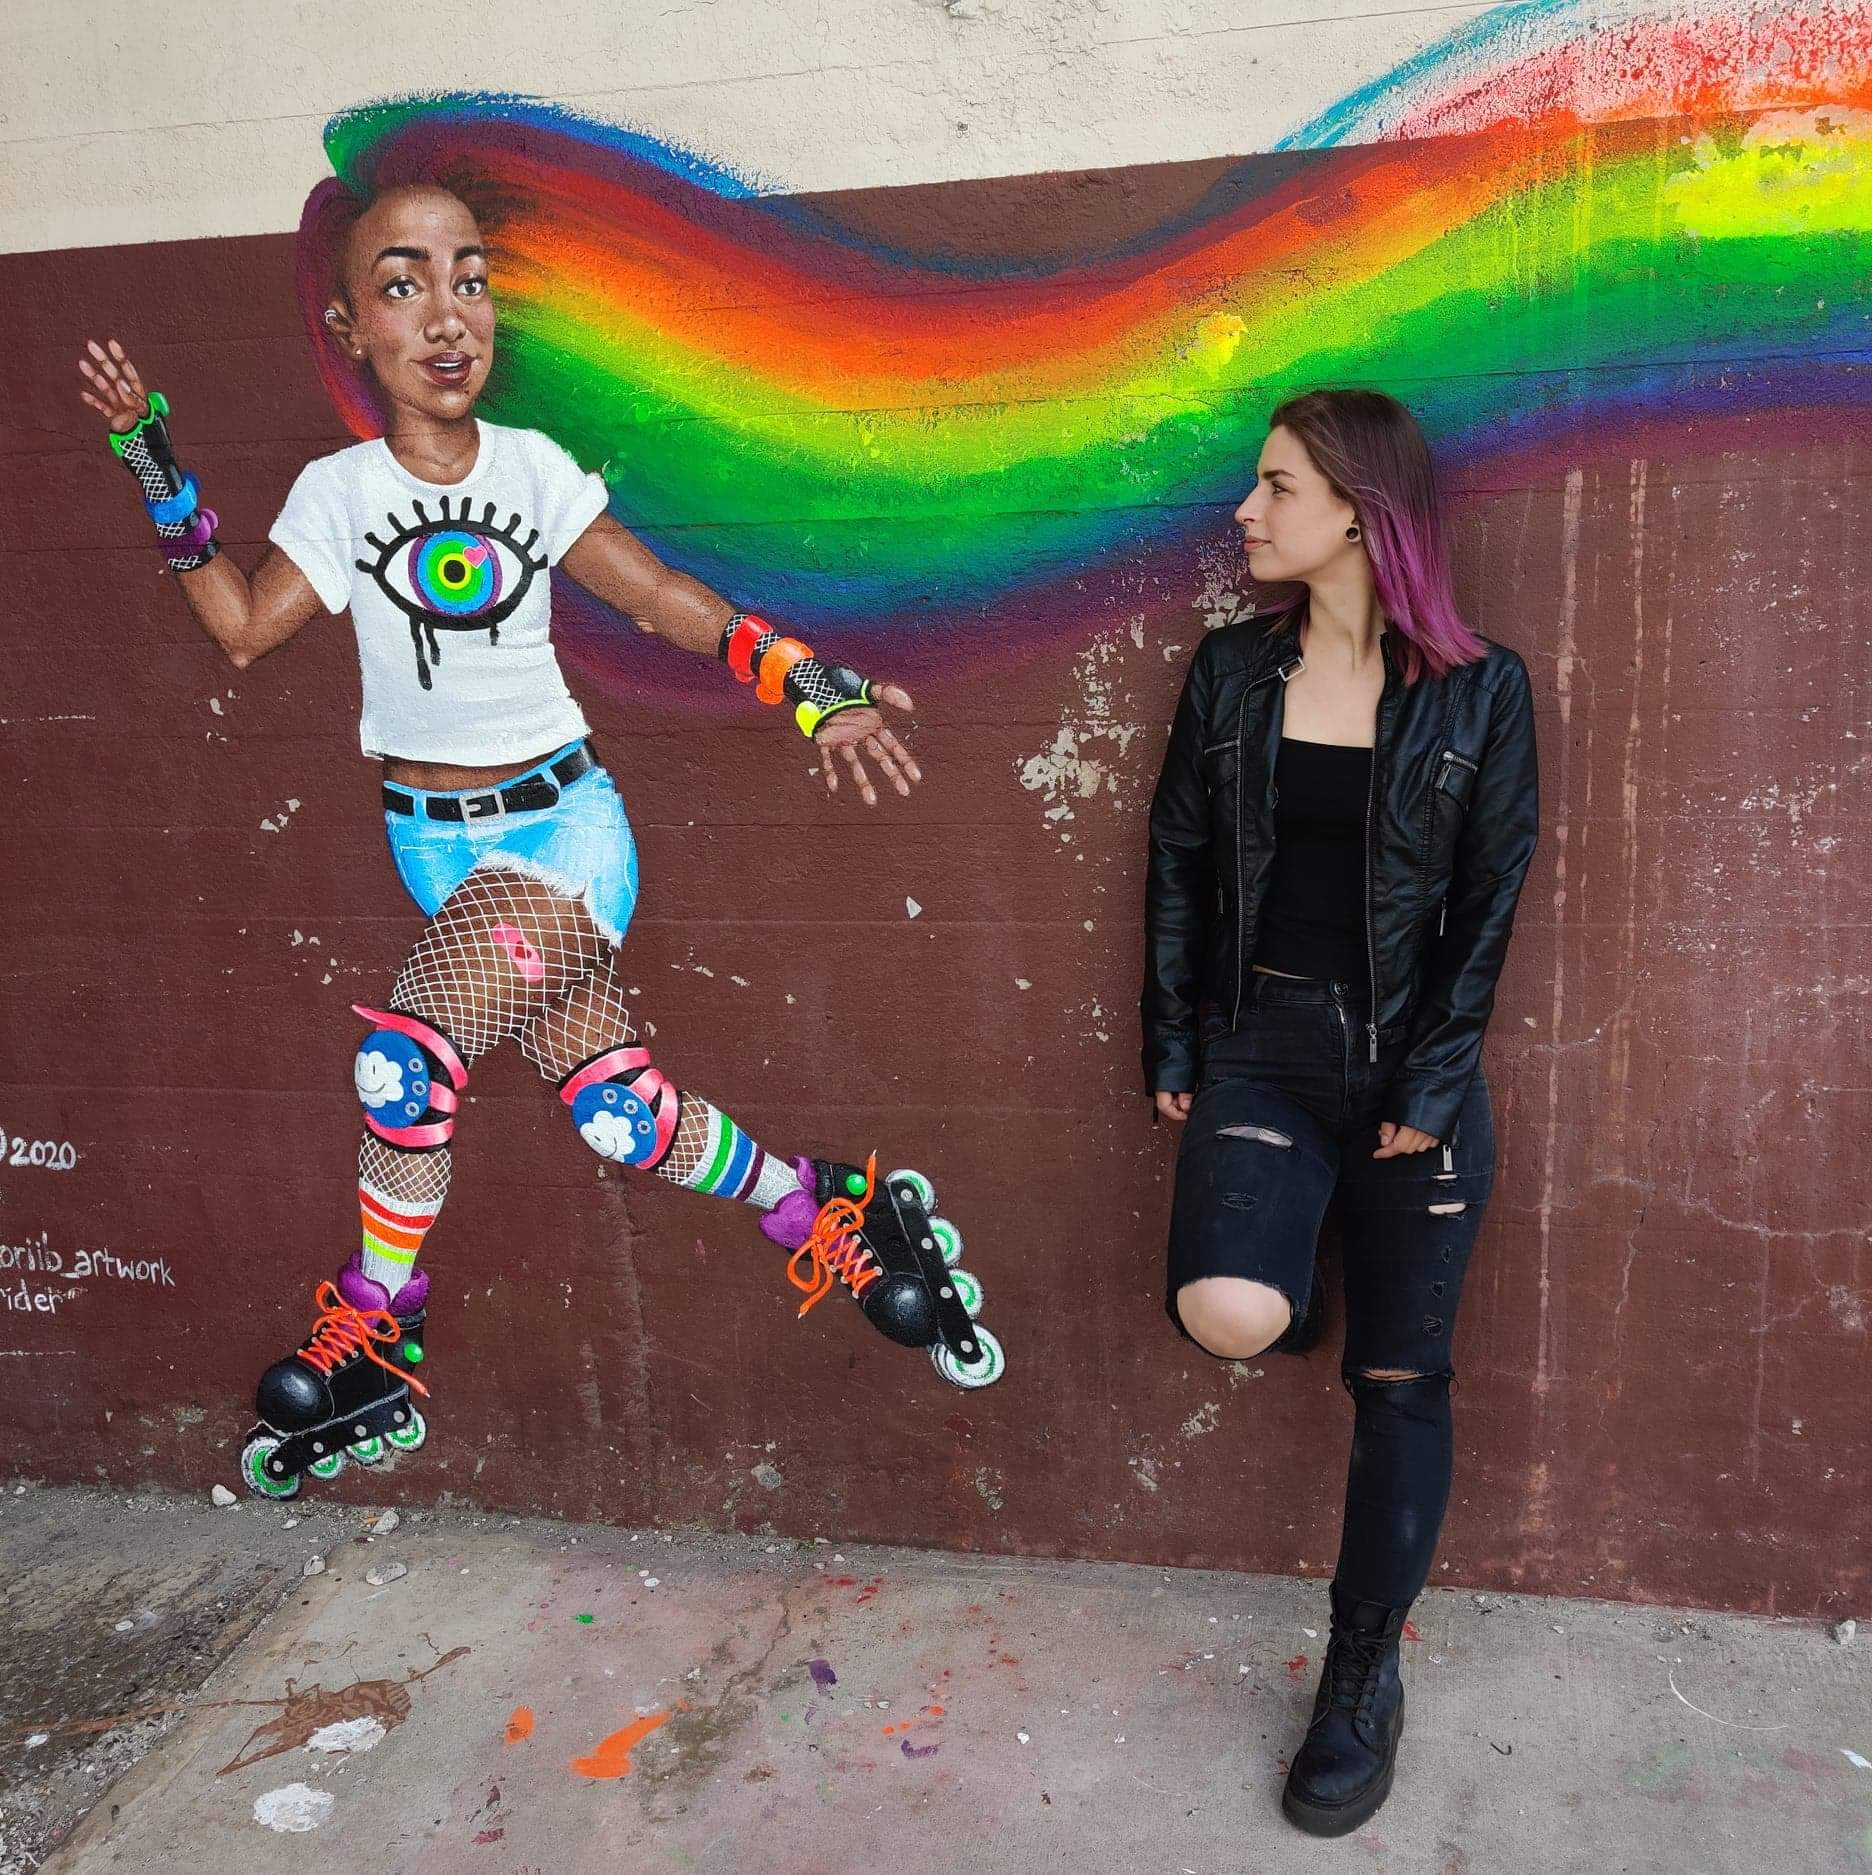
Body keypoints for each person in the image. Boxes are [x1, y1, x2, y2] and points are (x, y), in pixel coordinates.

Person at [78, 180, 1005, 1497]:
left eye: (470, 279)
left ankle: (372, 1326)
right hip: (436, 852)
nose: (448, 314)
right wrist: (149, 460)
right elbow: (238, 625)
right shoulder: (337, 493)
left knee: (408, 1066)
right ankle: (823, 1202)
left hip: (561, 837)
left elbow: (662, 597)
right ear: (350, 327)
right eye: (404, 286)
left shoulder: (533, 474)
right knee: (624, 1121)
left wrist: (808, 684)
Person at [1142, 388, 1538, 1835]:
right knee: (1231, 1314)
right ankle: (1284, 1256)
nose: (1246, 512)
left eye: (1275, 486)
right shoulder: (1232, 675)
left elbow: (1490, 907)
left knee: (1402, 1380)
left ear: (1358, 514)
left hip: (1410, 1068)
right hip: (1262, 1045)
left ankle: (1363, 1670)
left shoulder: (1483, 691)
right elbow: (1178, 856)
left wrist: (1434, 1088)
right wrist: (1176, 1037)